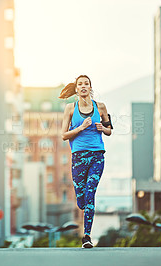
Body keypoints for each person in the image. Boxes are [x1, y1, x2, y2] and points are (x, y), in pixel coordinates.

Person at [59, 75, 113, 248]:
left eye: (86, 84)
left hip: (97, 155)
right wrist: (81, 127)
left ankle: (87, 237)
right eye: (80, 84)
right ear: (76, 89)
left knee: (90, 194)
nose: (83, 86)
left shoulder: (101, 107)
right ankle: (82, 202)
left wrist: (103, 128)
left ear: (90, 88)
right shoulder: (70, 108)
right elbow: (63, 135)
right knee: (81, 200)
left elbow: (109, 130)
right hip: (78, 158)